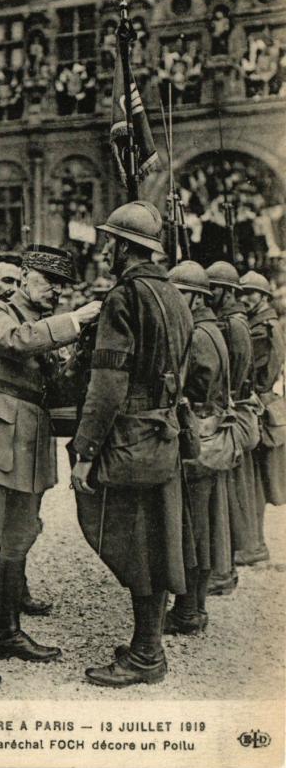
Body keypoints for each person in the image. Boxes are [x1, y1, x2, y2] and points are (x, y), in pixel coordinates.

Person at [0, 245, 101, 688]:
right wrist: (77, 320)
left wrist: (84, 351)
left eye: (63, 287)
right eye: (50, 282)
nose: (57, 292)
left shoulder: (40, 325)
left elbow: (59, 382)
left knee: (17, 541)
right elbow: (14, 343)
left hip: (28, 440)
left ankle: (8, 632)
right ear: (27, 277)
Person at [71, 201, 193, 688]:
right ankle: (148, 646)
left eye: (110, 241)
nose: (104, 249)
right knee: (160, 541)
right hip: (164, 436)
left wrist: (84, 451)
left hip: (128, 440)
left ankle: (146, 655)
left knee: (133, 544)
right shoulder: (175, 296)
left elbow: (107, 385)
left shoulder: (124, 298)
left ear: (125, 247)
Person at [166, 261, 231, 634]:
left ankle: (189, 610)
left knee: (192, 528)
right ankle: (194, 607)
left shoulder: (199, 333)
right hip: (209, 432)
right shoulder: (211, 327)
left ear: (192, 297)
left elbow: (197, 387)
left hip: (199, 435)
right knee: (200, 525)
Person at [206, 261, 258, 589]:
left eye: (213, 288)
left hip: (230, 413)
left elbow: (236, 377)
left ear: (226, 291)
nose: (207, 294)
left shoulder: (235, 324)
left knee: (224, 498)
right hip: (228, 411)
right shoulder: (230, 320)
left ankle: (223, 570)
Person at [240, 271, 286, 559]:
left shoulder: (261, 328)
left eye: (251, 294)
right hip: (268, 405)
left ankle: (255, 545)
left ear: (264, 297)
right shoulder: (267, 322)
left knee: (255, 479)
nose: (244, 299)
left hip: (261, 406)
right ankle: (253, 543)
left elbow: (254, 370)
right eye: (242, 293)